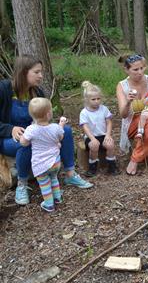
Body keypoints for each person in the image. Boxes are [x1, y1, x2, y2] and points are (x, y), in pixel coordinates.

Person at [0, 55, 93, 205]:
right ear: (23, 72)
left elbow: (44, 121)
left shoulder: (38, 92)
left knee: (66, 131)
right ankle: (22, 185)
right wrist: (10, 129)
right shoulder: (4, 89)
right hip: (8, 139)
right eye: (36, 72)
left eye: (41, 72)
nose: (41, 76)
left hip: (34, 134)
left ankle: (70, 173)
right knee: (27, 142)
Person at [20, 98, 65, 212]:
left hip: (41, 164)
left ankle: (49, 204)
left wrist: (23, 136)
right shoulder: (55, 127)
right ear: (49, 113)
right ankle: (57, 197)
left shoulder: (31, 129)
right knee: (54, 178)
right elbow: (61, 137)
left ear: (32, 115)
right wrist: (61, 125)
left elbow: (24, 143)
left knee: (44, 183)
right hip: (55, 161)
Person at [79, 81, 120, 177]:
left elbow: (109, 122)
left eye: (98, 98)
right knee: (94, 146)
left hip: (103, 135)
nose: (96, 101)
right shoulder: (84, 112)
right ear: (87, 100)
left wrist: (108, 135)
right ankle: (92, 166)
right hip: (91, 136)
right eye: (93, 99)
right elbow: (85, 127)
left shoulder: (104, 109)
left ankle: (112, 166)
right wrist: (92, 138)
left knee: (110, 144)